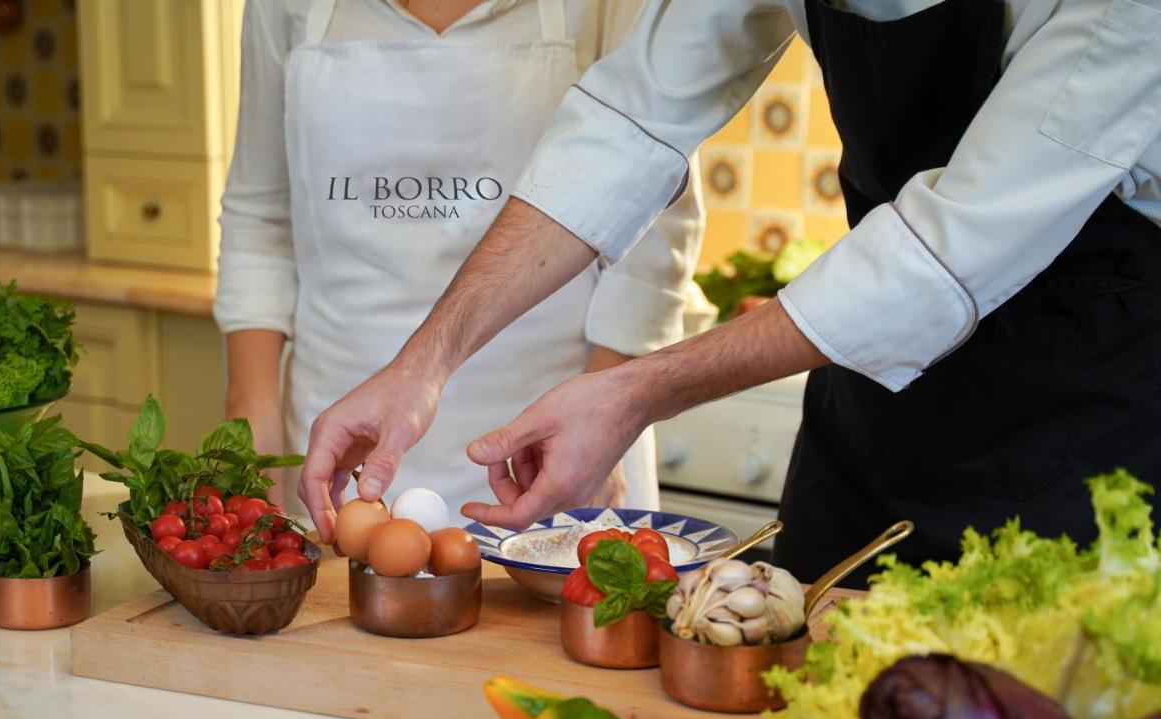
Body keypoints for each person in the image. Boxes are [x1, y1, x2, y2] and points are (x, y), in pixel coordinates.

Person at [301, 0, 1161, 582]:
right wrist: (425, 363)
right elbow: (630, 121)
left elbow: (943, 252)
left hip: (1086, 412)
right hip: (869, 427)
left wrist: (637, 388)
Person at [214, 0, 704, 520]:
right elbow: (260, 213)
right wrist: (251, 423)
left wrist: (607, 410)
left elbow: (656, 221)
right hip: (333, 444)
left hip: (552, 439)